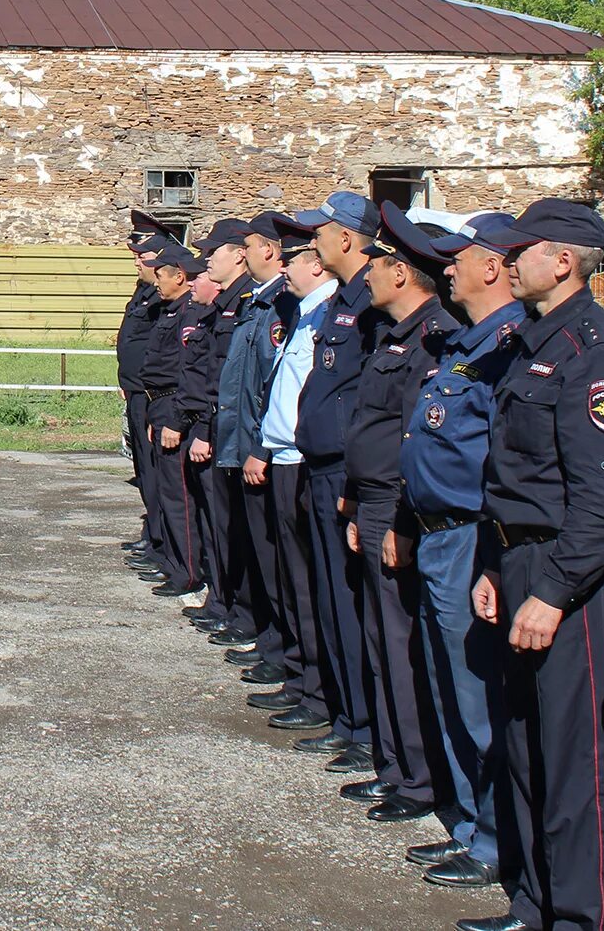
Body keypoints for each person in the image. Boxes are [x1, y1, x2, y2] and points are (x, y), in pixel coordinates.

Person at [462, 198, 604, 931]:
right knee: (525, 745)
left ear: (563, 260)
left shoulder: (598, 352)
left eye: (521, 251)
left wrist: (554, 590)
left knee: (578, 762)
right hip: (518, 563)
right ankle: (537, 902)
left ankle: (586, 916)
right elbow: (507, 473)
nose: (507, 262)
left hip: (566, 571)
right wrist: (490, 563)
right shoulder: (531, 340)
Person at [398, 212, 524, 891]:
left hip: (472, 534)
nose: (446, 267)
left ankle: (493, 838)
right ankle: (472, 822)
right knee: (451, 688)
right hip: (439, 530)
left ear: (494, 266)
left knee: (478, 695)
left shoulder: (507, 346)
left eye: (458, 257)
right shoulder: (466, 343)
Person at [342, 204, 460, 825]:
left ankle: (418, 779)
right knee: (380, 639)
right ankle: (394, 767)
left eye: (378, 266)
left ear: (405, 275)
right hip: (376, 500)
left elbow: (419, 441)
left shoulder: (433, 338)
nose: (366, 276)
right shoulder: (392, 336)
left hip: (400, 505)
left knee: (401, 640)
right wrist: (360, 500)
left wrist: (399, 520)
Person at [292, 191, 390, 777]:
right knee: (332, 597)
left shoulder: (370, 303)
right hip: (321, 466)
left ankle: (364, 726)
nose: (313, 243)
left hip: (347, 474)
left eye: (320, 233)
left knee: (353, 604)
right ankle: (347, 716)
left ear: (349, 238)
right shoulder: (341, 303)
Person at [253, 217, 339, 738]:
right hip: (283, 455)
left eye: (295, 259)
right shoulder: (306, 314)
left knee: (308, 583)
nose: (284, 268)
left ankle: (316, 688)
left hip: (305, 461)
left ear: (317, 264)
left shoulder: (330, 314)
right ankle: (301, 676)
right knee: (293, 578)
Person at [214, 214, 300, 700]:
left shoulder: (280, 308)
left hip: (264, 451)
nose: (241, 255)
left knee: (277, 561)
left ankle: (281, 650)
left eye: (248, 247)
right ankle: (271, 642)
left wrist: (257, 449)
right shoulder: (258, 305)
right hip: (248, 444)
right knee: (263, 556)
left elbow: (271, 389)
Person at [185, 220, 259, 644]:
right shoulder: (227, 304)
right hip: (212, 424)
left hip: (224, 430)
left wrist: (208, 429)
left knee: (229, 527)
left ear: (239, 255)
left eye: (215, 252)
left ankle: (236, 609)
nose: (207, 259)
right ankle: (225, 602)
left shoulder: (246, 302)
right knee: (219, 524)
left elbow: (227, 381)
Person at [145, 247, 213, 597]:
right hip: (161, 407)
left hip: (174, 407)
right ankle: (174, 562)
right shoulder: (172, 311)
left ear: (179, 277)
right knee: (168, 492)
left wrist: (175, 419)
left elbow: (187, 373)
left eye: (160, 275)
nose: (155, 282)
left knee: (179, 497)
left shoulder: (189, 314)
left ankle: (186, 570)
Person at [118, 231, 171, 574]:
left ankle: (160, 540)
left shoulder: (162, 296)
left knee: (155, 472)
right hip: (135, 390)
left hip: (151, 396)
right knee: (143, 468)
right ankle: (152, 534)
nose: (138, 262)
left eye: (143, 256)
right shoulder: (143, 291)